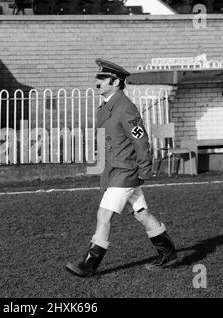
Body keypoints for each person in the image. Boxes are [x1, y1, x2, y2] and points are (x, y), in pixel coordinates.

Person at [65, 58, 178, 278]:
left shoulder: (125, 107)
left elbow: (141, 139)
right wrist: (97, 166)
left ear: (115, 82)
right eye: (97, 77)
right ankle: (169, 253)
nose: (97, 81)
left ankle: (89, 265)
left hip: (124, 171)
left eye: (102, 78)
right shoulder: (105, 107)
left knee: (104, 215)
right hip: (113, 170)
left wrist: (145, 168)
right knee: (142, 214)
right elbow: (103, 141)